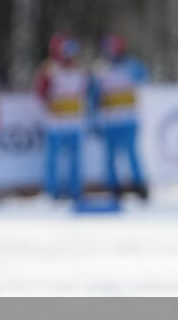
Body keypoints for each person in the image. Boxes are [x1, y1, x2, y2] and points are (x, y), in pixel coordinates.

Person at [90, 34, 148, 199]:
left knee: (131, 152)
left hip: (128, 118)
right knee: (109, 155)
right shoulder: (99, 69)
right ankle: (113, 186)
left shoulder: (130, 65)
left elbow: (144, 75)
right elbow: (93, 95)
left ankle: (139, 184)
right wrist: (94, 118)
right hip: (109, 120)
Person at [34, 32, 87, 201]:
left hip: (75, 120)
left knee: (75, 158)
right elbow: (40, 91)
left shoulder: (78, 67)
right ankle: (52, 191)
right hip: (55, 121)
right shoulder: (49, 68)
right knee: (53, 158)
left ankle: (75, 190)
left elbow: (85, 90)